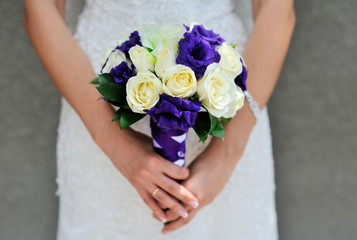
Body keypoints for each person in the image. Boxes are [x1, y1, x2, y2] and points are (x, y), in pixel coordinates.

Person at [23, 0, 295, 239]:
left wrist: (228, 152)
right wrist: (113, 141)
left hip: (228, 104)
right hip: (96, 100)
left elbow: (277, 7)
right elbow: (41, 7)